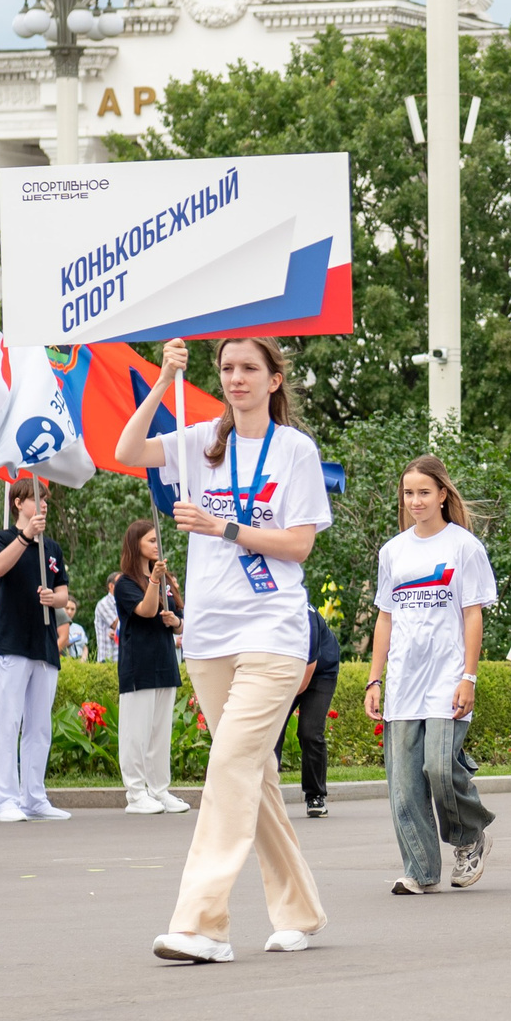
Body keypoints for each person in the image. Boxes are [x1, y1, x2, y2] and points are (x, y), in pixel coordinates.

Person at [118, 335, 333, 963]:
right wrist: (163, 380)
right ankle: (301, 909)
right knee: (254, 777)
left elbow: (299, 544)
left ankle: (201, 924)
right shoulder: (197, 442)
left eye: (248, 369)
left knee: (230, 766)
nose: (235, 378)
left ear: (273, 379)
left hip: (272, 631)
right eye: (227, 368)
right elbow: (126, 450)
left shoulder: (294, 450)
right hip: (209, 637)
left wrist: (227, 528)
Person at [367, 456, 498, 894]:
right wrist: (374, 678)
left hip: (447, 677)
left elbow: (472, 615)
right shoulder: (393, 551)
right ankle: (421, 871)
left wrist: (469, 676)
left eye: (424, 492)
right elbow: (385, 618)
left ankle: (469, 835)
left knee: (440, 768)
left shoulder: (463, 547)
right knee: (404, 785)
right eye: (408, 493)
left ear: (443, 494)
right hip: (404, 682)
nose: (415, 500)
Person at [0, 478, 75, 824]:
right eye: (38, 499)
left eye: (47, 500)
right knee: (7, 722)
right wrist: (24, 537)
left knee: (39, 726)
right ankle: (3, 800)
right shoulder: (2, 538)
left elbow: (63, 591)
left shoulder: (51, 548)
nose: (44, 505)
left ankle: (34, 797)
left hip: (45, 642)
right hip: (12, 642)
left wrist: (57, 599)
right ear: (19, 502)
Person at [112, 518, 190, 816]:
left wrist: (176, 622)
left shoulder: (167, 580)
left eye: (158, 540)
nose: (157, 545)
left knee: (159, 734)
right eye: (151, 541)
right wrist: (155, 581)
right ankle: (136, 793)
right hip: (139, 666)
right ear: (137, 545)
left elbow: (181, 618)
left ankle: (159, 790)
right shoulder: (126, 583)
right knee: (136, 733)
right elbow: (145, 611)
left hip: (165, 663)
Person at [287, 608, 340, 814]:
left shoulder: (305, 619)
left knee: (309, 732)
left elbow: (306, 675)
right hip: (288, 670)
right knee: (271, 731)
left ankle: (315, 796)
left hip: (320, 673)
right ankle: (262, 792)